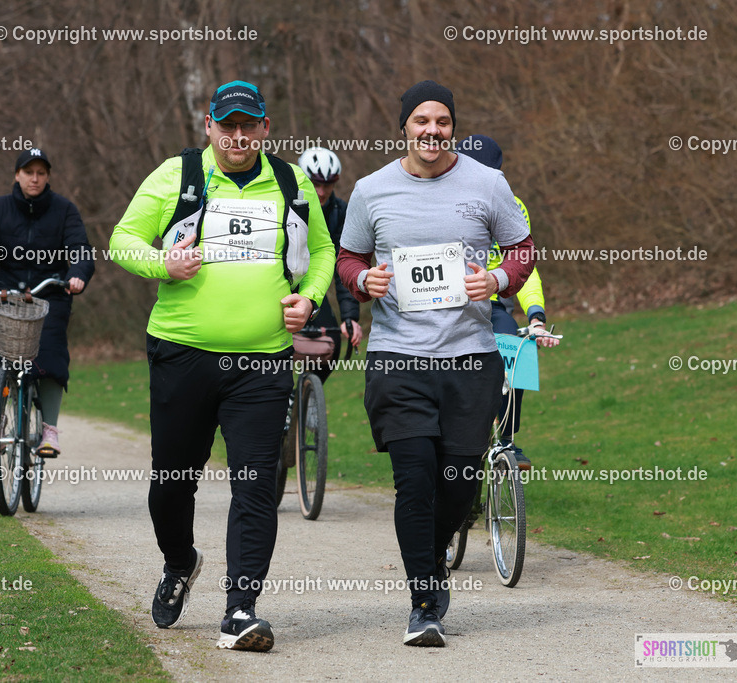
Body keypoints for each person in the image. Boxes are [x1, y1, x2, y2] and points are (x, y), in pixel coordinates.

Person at [110, 80, 334, 652]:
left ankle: (240, 609)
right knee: (172, 481)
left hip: (262, 361)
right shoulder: (177, 176)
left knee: (257, 484)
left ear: (265, 128)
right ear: (208, 126)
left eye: (248, 125)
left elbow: (325, 252)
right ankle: (180, 562)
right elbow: (122, 240)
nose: (238, 136)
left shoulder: (290, 180)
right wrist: (163, 262)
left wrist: (307, 296)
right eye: (226, 126)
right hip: (182, 354)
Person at [337, 80, 536, 647]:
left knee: (459, 483)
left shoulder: (487, 183)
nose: (432, 131)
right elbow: (349, 257)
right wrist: (362, 279)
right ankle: (424, 603)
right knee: (415, 481)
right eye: (421, 121)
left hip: (470, 358)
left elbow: (522, 248)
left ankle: (432, 554)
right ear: (404, 126)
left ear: (453, 127)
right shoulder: (372, 190)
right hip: (398, 357)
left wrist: (496, 279)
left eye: (442, 122)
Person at [0, 148, 94, 456]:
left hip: (51, 293)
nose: (35, 178)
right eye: (29, 172)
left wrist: (78, 274)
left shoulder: (64, 210)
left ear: (48, 177)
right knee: (2, 354)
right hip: (7, 293)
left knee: (52, 353)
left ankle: (49, 431)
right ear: (17, 175)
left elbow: (80, 248)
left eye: (41, 173)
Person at [458, 134, 560, 470]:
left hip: (493, 304)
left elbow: (526, 269)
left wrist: (536, 316)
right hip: (448, 305)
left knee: (518, 350)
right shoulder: (443, 203)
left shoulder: (513, 207)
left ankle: (506, 440)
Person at [296, 147, 363, 381]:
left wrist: (350, 317)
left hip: (313, 286)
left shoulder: (340, 212)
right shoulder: (283, 202)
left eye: (328, 185)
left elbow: (344, 267)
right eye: (315, 184)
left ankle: (305, 395)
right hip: (279, 283)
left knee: (331, 343)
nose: (321, 192)